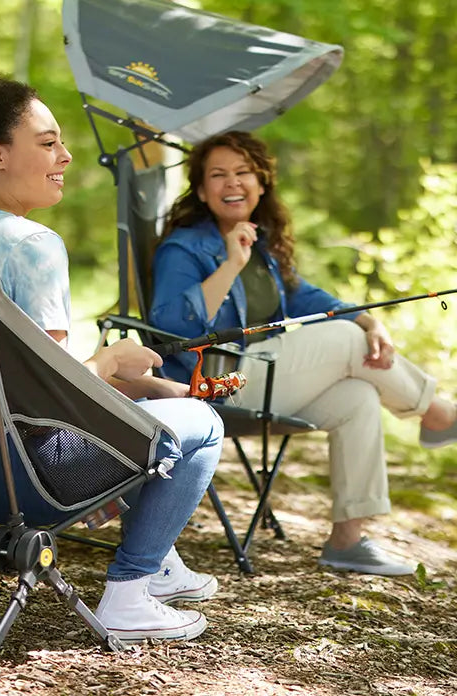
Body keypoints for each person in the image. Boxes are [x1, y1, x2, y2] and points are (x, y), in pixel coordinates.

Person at [0, 66, 224, 645]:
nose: (66, 156)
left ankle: (161, 557)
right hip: (27, 477)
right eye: (47, 143)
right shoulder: (33, 244)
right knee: (202, 423)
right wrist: (115, 359)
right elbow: (57, 396)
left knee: (154, 412)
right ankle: (130, 588)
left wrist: (135, 385)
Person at [149, 130, 457, 577]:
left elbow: (307, 298)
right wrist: (229, 264)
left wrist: (369, 320)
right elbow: (173, 327)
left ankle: (347, 541)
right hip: (216, 387)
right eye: (217, 175)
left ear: (261, 183)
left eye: (242, 172)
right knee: (347, 341)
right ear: (201, 190)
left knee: (357, 397)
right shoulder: (184, 247)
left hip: (264, 378)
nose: (231, 183)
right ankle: (438, 413)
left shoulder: (262, 243)